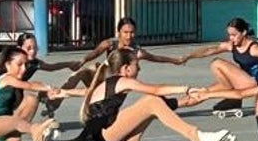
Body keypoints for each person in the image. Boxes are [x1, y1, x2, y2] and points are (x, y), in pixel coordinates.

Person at [57, 48, 245, 141]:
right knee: (150, 101)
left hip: (108, 132)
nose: (138, 69)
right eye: (136, 66)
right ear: (125, 69)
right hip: (105, 135)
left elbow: (154, 105)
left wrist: (182, 102)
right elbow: (155, 91)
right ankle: (197, 137)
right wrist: (186, 88)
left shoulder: (114, 82)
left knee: (149, 106)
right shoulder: (121, 81)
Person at [49, 17, 185, 119]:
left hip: (115, 86)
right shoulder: (109, 44)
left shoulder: (136, 51)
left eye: (132, 32)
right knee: (80, 73)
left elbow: (156, 58)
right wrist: (83, 60)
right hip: (101, 76)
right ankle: (54, 103)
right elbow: (95, 52)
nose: (129, 36)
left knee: (99, 109)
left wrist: (175, 60)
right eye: (125, 32)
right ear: (118, 32)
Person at [0, 46, 68, 141]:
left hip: (9, 123)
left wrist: (49, 90)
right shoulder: (7, 79)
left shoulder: (14, 79)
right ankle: (36, 131)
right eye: (19, 64)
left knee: (31, 99)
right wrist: (47, 88)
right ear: (7, 65)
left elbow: (36, 85)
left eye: (26, 65)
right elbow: (29, 85)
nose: (23, 69)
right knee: (16, 121)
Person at [181, 17, 258, 116]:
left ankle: (232, 98)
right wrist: (188, 56)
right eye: (229, 35)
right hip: (239, 82)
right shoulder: (232, 45)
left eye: (234, 35)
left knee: (217, 63)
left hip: (251, 83)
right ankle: (174, 105)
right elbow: (209, 50)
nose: (231, 38)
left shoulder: (254, 49)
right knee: (203, 91)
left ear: (243, 33)